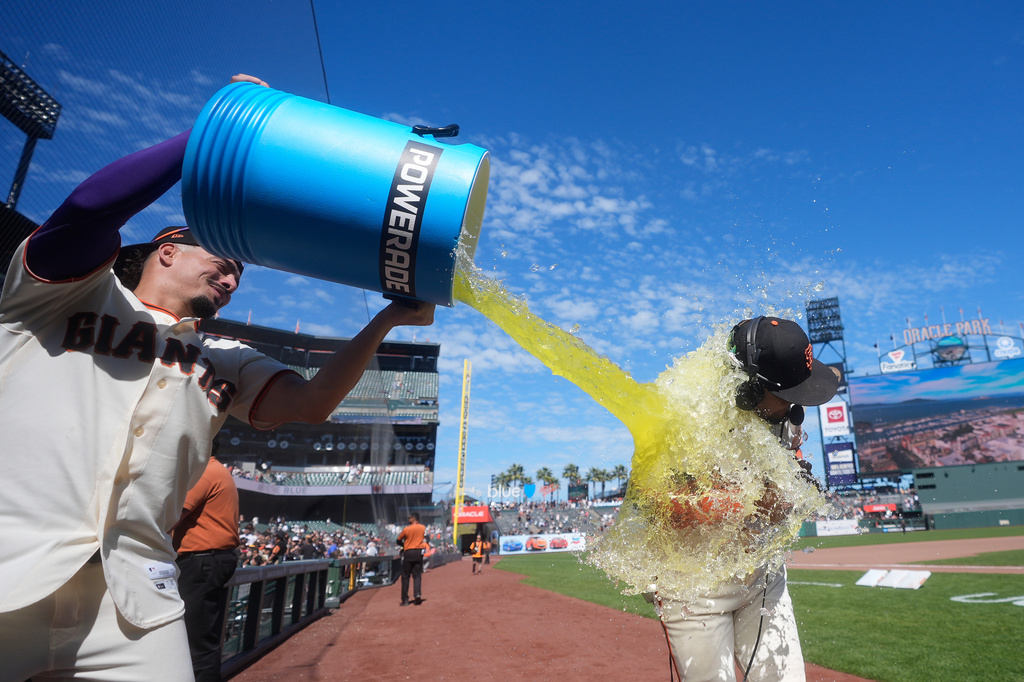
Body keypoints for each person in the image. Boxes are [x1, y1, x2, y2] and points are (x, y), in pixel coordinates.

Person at [0, 73, 435, 680]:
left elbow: (310, 403)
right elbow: (87, 210)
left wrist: (386, 320)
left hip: (133, 601)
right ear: (167, 249)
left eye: (239, 275)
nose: (231, 280)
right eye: (222, 262)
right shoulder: (66, 297)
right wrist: (213, 133)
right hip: (10, 564)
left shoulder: (224, 357)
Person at [655, 316, 840, 682]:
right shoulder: (687, 418)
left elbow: (793, 464)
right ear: (749, 389)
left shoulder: (783, 412)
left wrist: (794, 489)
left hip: (763, 574)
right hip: (696, 588)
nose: (794, 407)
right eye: (788, 396)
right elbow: (659, 508)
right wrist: (748, 502)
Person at [171, 447, 240, 682]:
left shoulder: (204, 471)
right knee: (199, 637)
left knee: (196, 640)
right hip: (209, 559)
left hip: (201, 560)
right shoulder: (214, 469)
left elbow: (171, 515)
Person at [396, 513, 428, 605]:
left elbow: (398, 541)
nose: (408, 519)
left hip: (408, 552)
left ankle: (405, 599)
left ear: (414, 518)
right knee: (417, 575)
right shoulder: (423, 528)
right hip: (418, 552)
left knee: (405, 577)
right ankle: (417, 595)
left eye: (410, 518)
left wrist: (404, 545)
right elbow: (426, 538)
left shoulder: (407, 529)